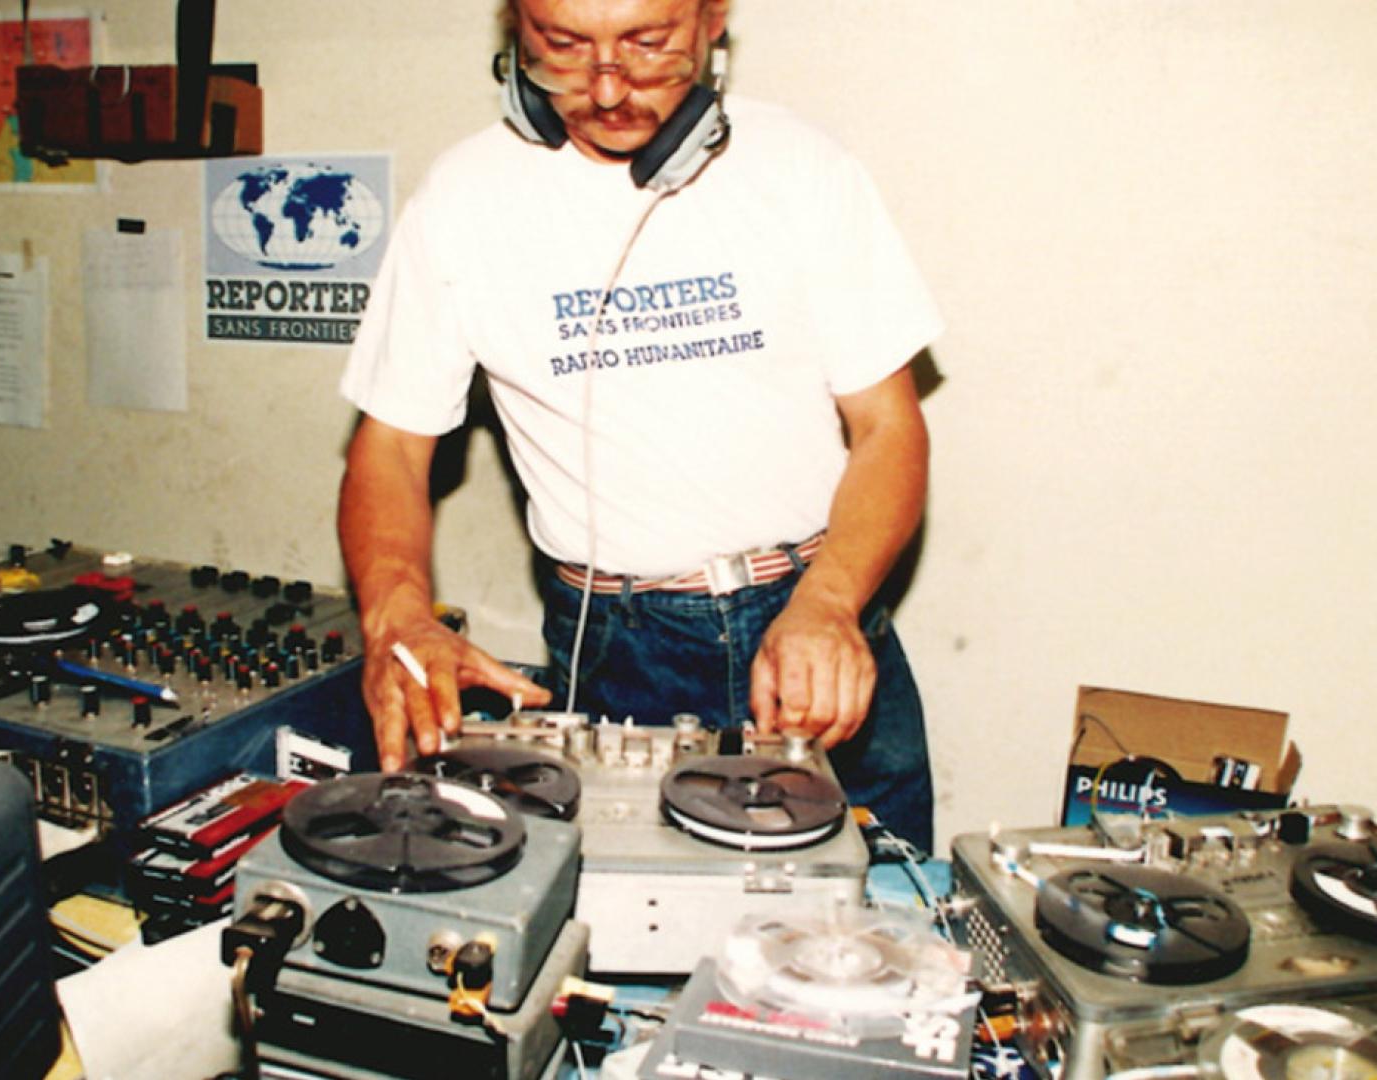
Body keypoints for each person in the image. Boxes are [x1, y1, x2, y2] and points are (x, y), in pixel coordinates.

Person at [336, 0, 942, 850]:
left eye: (648, 45)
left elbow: (889, 427)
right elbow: (392, 448)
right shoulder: (463, 199)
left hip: (815, 612)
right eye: (565, 47)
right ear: (515, 27)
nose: (609, 87)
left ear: (712, 17)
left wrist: (831, 604)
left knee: (880, 927)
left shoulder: (803, 168)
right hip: (616, 644)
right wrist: (395, 615)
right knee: (627, 953)